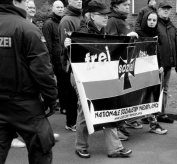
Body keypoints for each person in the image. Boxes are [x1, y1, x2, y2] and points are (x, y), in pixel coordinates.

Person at [66, 0, 132, 158]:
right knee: (86, 110)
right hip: (81, 77)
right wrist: (68, 44)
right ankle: (81, 146)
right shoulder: (82, 32)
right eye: (102, 15)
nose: (106, 18)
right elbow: (70, 53)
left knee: (108, 107)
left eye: (107, 15)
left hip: (98, 76)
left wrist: (128, 39)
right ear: (90, 15)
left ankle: (114, 148)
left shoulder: (103, 31)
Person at [0, 0, 58, 163]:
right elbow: (42, 70)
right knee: (41, 147)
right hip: (25, 104)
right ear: (15, 2)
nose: (27, 5)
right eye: (25, 1)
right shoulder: (27, 28)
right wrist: (51, 98)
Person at [105, 0, 140, 140]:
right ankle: (116, 129)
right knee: (117, 98)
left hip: (126, 63)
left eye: (128, 4)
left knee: (123, 96)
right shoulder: (112, 21)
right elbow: (111, 42)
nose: (128, 6)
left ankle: (121, 124)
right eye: (124, 5)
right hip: (116, 65)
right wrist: (127, 38)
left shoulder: (123, 20)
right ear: (115, 6)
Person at [135, 11, 167, 135]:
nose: (152, 22)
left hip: (154, 70)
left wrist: (161, 65)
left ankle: (153, 122)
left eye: (154, 20)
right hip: (141, 72)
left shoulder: (157, 34)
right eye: (149, 20)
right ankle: (132, 121)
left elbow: (158, 52)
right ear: (145, 21)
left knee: (153, 96)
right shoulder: (139, 35)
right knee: (142, 97)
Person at [58, 0, 83, 132]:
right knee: (72, 95)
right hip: (71, 63)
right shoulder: (66, 20)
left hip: (82, 61)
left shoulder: (82, 17)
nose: (79, 1)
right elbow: (64, 43)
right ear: (69, 1)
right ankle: (71, 122)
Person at [156, 1, 177, 123]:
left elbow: (176, 47)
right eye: (163, 9)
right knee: (157, 89)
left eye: (168, 9)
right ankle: (152, 114)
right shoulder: (155, 25)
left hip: (168, 64)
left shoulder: (172, 27)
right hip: (157, 65)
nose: (166, 11)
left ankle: (161, 113)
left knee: (164, 89)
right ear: (158, 10)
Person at [42, 0, 66, 115]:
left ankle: (64, 105)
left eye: (62, 7)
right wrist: (50, 61)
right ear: (53, 8)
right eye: (58, 7)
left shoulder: (64, 21)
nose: (61, 9)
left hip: (64, 58)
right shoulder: (49, 24)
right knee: (58, 83)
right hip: (55, 59)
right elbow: (48, 44)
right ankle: (57, 105)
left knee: (64, 83)